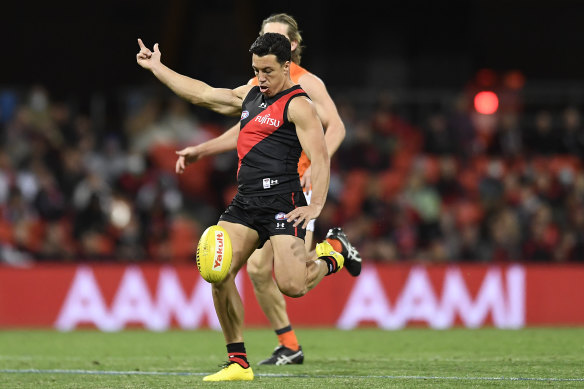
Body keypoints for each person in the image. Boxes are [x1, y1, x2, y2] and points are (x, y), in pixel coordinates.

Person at [137, 32, 345, 381]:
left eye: (268, 71)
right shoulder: (250, 94)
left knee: (292, 285)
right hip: (246, 202)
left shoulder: (299, 104)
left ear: (287, 67)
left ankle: (334, 252)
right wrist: (158, 67)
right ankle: (238, 362)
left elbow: (320, 158)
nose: (260, 78)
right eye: (255, 70)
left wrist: (316, 206)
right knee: (217, 271)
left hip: (283, 201)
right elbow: (202, 94)